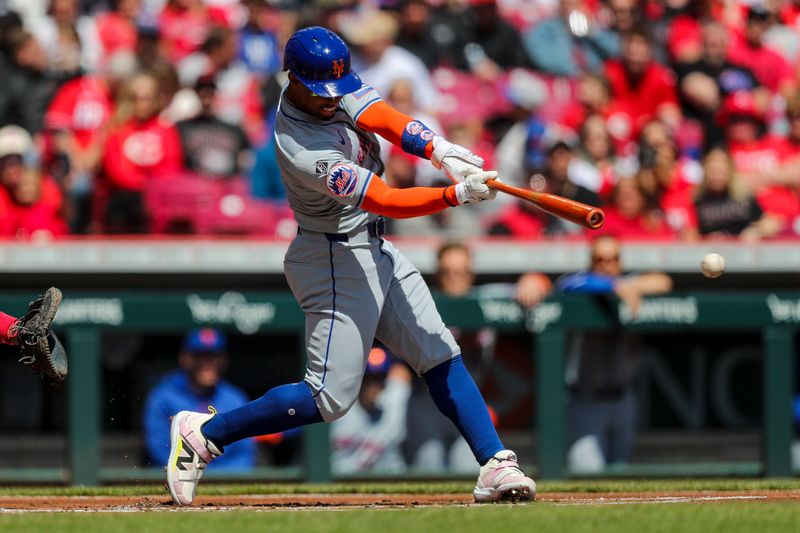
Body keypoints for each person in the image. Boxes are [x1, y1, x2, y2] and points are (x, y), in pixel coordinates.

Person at [166, 26, 535, 506]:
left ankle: (494, 463)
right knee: (329, 399)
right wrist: (455, 194)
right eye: (321, 91)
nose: (331, 99)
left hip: (371, 246)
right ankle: (205, 434)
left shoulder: (331, 82)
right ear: (293, 79)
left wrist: (439, 150)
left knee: (438, 351)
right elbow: (383, 198)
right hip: (333, 255)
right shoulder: (300, 144)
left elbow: (379, 114)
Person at [557, 235, 672, 473]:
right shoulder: (583, 285)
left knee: (621, 473)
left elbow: (663, 282)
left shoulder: (628, 284)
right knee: (587, 473)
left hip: (623, 399)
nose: (607, 265)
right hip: (585, 399)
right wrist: (613, 286)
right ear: (591, 262)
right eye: (600, 259)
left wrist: (630, 286)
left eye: (613, 259)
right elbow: (566, 285)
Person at [143, 328, 256, 470]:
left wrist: (216, 477)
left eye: (213, 356)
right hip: (178, 481)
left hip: (226, 482)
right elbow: (159, 452)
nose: (207, 363)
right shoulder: (163, 397)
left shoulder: (235, 398)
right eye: (200, 356)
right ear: (185, 358)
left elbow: (244, 455)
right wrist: (195, 473)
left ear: (223, 360)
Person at [331, 346, 412, 474]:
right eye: (367, 379)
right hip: (342, 485)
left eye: (379, 379)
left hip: (387, 483)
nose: (373, 385)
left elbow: (401, 372)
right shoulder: (338, 408)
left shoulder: (392, 404)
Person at [176, 74, 251, 179]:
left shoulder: (234, 130)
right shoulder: (181, 128)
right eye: (202, 94)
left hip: (227, 186)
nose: (206, 100)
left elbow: (246, 161)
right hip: (194, 187)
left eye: (210, 94)